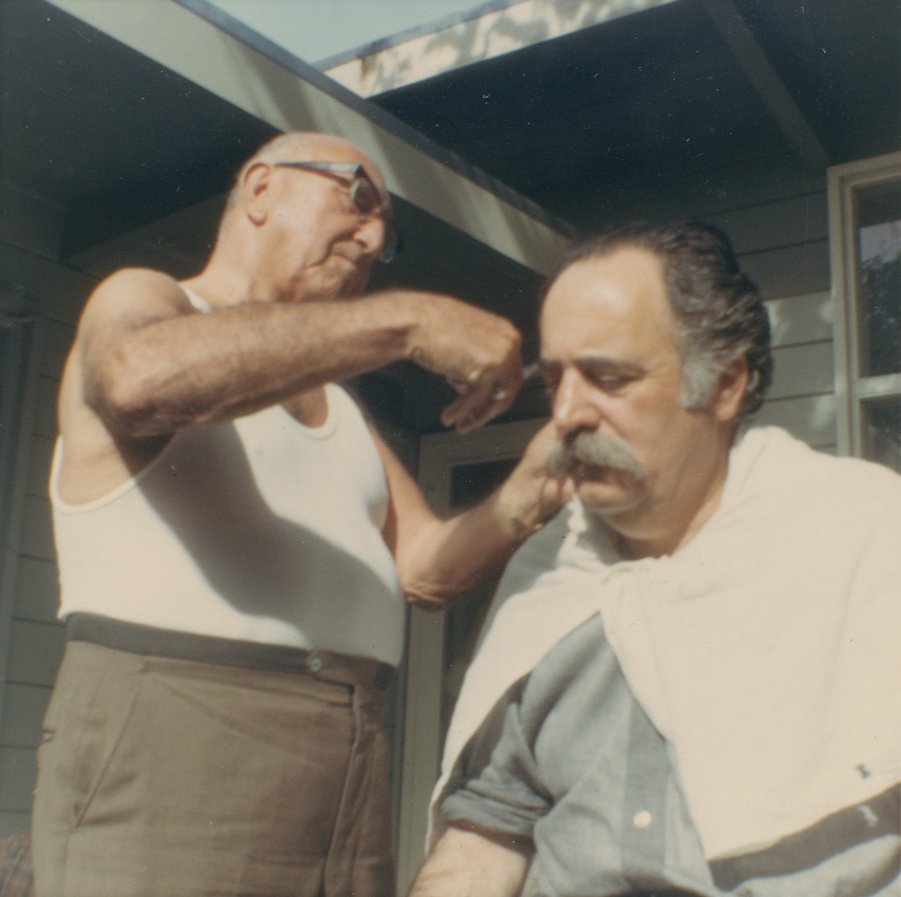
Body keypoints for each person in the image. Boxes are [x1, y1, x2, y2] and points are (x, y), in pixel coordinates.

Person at [31, 131, 569, 897]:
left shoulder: (342, 409)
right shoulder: (146, 299)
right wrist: (407, 320)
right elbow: (137, 380)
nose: (374, 238)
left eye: (386, 233)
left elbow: (424, 568)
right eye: (358, 198)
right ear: (260, 189)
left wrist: (532, 486)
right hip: (179, 729)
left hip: (350, 752)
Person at [411, 221, 901, 897]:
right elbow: (486, 833)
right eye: (554, 381)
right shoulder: (547, 579)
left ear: (724, 384)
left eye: (609, 378)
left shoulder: (864, 535)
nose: (566, 413)